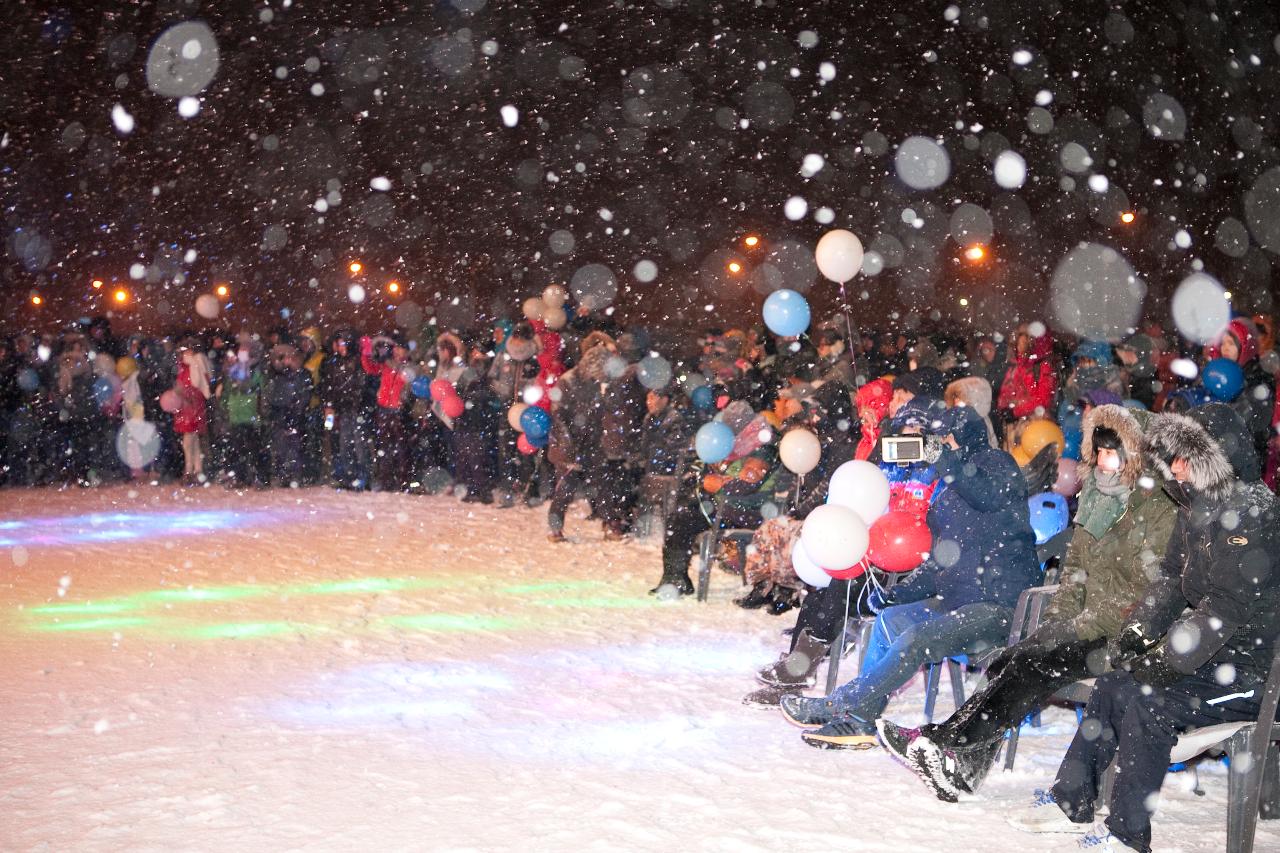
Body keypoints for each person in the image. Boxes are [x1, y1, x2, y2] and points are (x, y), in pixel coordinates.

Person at [1005, 403, 1280, 853]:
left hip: (1255, 674)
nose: (1174, 467)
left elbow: (1226, 607)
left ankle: (1127, 834)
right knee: (1115, 683)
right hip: (1213, 658)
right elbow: (1172, 578)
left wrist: (1167, 659)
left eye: (1185, 458)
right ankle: (1071, 801)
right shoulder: (1196, 507)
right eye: (1172, 456)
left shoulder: (1253, 514)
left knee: (1152, 704)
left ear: (1217, 457)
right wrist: (1137, 632)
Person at [878, 404, 1178, 801]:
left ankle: (946, 744)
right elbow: (1075, 573)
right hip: (1085, 626)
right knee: (1012, 658)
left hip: (1125, 635)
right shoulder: (1097, 498)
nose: (1104, 464)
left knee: (1030, 664)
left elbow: (1141, 591)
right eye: (1100, 454)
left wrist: (1075, 627)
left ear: (1133, 457)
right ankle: (961, 763)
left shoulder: (1158, 509)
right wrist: (1056, 622)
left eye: (1112, 454)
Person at [779, 405, 1040, 748]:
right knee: (891, 619)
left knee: (917, 638)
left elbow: (987, 494)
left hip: (1001, 608)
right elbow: (941, 560)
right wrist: (898, 594)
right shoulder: (946, 488)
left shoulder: (997, 464)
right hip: (958, 602)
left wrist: (946, 459)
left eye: (944, 438)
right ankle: (854, 711)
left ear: (963, 437)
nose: (937, 447)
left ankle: (851, 710)